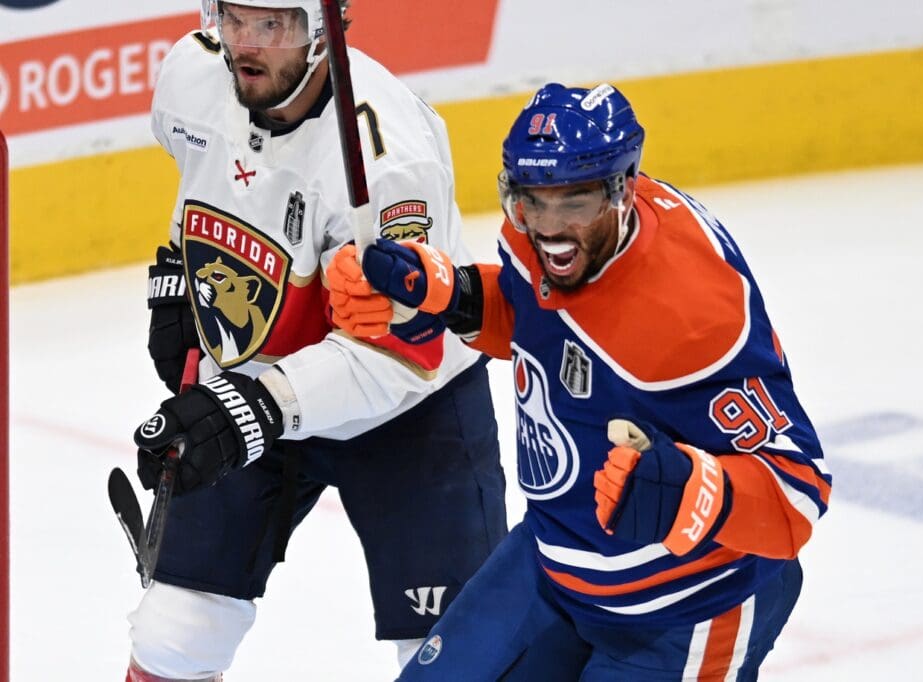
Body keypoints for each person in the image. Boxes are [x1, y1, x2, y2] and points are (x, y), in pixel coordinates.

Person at [328, 82, 832, 680]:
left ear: (624, 190)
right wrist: (448, 297)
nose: (550, 227)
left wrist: (695, 493)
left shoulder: (694, 313)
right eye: (531, 201)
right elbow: (534, 320)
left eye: (575, 202)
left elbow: (798, 492)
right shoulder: (531, 241)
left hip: (688, 611)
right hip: (553, 562)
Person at [126, 1, 508, 680]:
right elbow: (208, 174)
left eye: (272, 25)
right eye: (234, 16)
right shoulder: (192, 73)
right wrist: (178, 283)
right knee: (172, 636)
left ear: (327, 28)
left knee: (455, 660)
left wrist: (248, 409)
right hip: (255, 387)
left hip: (408, 415)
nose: (245, 42)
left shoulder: (386, 162)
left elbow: (396, 352)